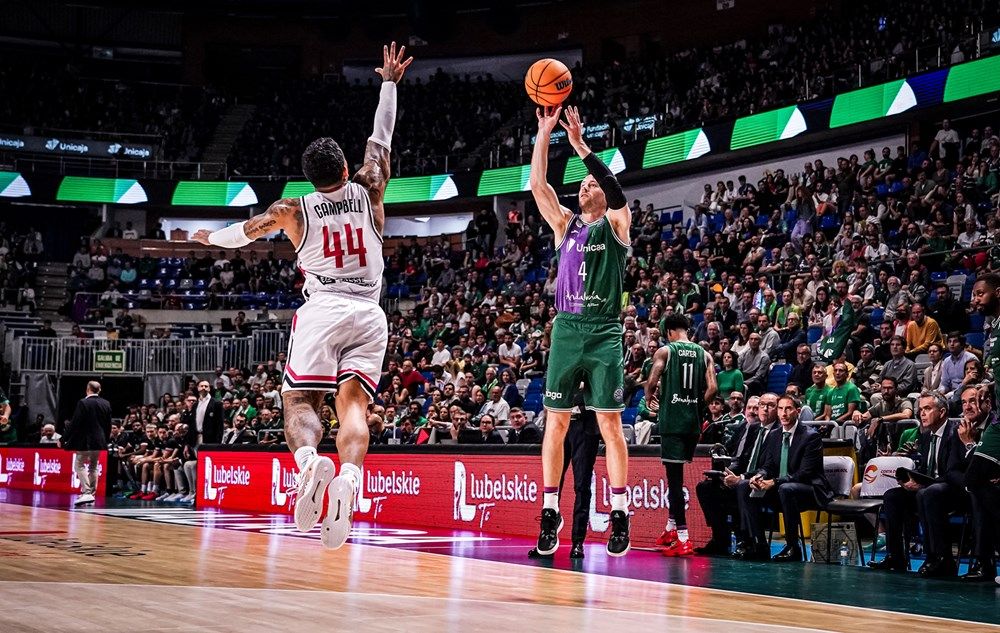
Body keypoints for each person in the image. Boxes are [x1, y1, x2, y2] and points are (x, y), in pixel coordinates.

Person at [192, 42, 412, 550]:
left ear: (308, 177)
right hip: (370, 312)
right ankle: (350, 480)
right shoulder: (370, 186)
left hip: (323, 309)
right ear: (343, 167)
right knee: (353, 406)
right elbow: (382, 135)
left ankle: (310, 465)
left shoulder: (292, 210)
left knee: (299, 401)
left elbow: (244, 233)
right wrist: (388, 81)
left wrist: (208, 238)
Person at [529, 104, 632, 557]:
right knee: (556, 420)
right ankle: (549, 510)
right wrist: (544, 133)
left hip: (604, 330)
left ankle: (620, 513)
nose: (584, 186)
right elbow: (538, 185)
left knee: (610, 423)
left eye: (590, 184)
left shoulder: (617, 224)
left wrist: (582, 149)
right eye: (582, 183)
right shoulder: (565, 226)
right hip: (567, 329)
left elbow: (614, 187)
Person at [870, 392, 967, 576]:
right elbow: (926, 468)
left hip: (954, 492)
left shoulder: (955, 433)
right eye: (920, 410)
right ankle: (896, 555)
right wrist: (911, 479)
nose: (922, 414)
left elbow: (953, 474)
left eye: (928, 409)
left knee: (928, 493)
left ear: (942, 412)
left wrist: (923, 485)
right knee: (893, 496)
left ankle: (940, 558)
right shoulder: (925, 435)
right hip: (931, 489)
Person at [645, 313, 718, 557]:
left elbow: (652, 381)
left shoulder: (665, 352)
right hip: (692, 424)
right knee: (674, 476)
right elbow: (713, 389)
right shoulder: (704, 354)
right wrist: (697, 406)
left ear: (668, 332)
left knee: (674, 481)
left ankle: (683, 537)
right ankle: (671, 527)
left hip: (673, 422)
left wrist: (649, 399)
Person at [742, 395, 833, 562]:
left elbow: (805, 473)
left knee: (786, 488)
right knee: (744, 485)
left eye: (788, 409)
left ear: (797, 412)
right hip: (782, 489)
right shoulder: (774, 435)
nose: (783, 413)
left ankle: (793, 547)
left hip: (810, 489)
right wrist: (759, 476)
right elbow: (769, 465)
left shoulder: (810, 436)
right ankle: (758, 545)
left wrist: (774, 482)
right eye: (780, 409)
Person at [62, 381, 112, 506]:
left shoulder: (83, 402)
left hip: (85, 440)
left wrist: (63, 438)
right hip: (99, 441)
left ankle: (87, 492)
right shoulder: (106, 403)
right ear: (99, 390)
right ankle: (91, 494)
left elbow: (75, 422)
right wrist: (104, 440)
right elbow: (108, 425)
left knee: (79, 464)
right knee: (94, 466)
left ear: (87, 389)